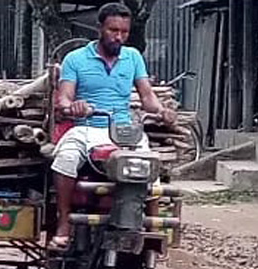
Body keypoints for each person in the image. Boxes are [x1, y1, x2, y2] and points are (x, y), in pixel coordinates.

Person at [50, 2, 175, 248]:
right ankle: (64, 220)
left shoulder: (133, 57)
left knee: (150, 165)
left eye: (124, 32)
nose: (119, 37)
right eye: (113, 30)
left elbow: (147, 95)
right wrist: (73, 106)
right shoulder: (75, 59)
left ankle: (151, 222)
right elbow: (64, 97)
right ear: (99, 28)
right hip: (87, 128)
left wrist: (162, 111)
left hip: (124, 131)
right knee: (65, 157)